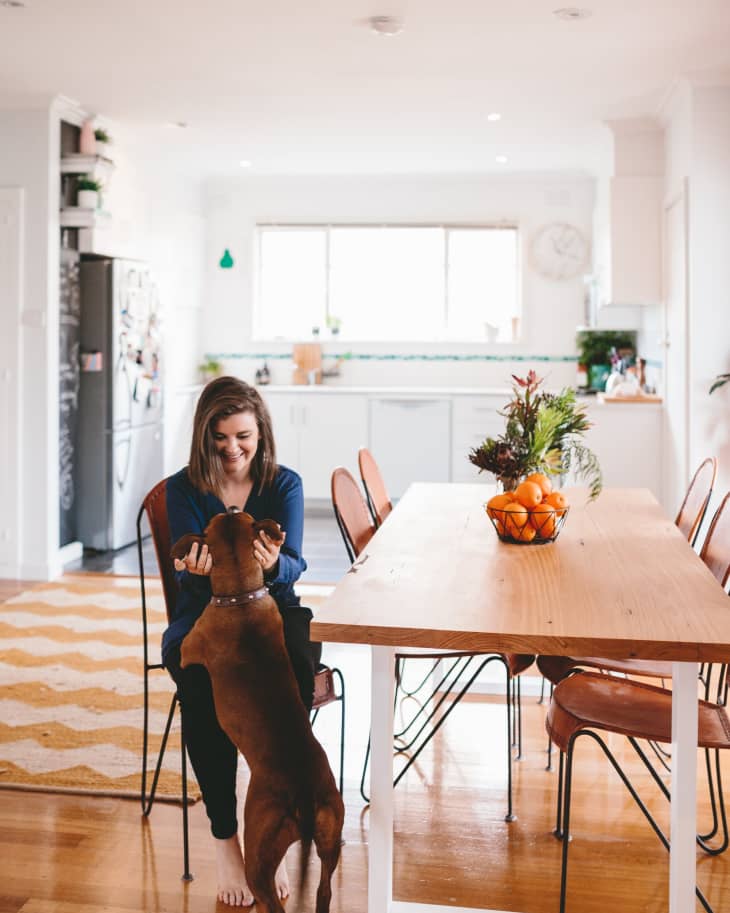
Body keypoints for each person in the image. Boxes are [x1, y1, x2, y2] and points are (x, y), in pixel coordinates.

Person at [162, 376, 320, 907]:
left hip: (271, 615)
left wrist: (276, 566)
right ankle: (226, 840)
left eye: (243, 437)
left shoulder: (286, 484)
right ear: (204, 436)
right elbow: (187, 574)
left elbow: (295, 564)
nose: (232, 449)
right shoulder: (182, 489)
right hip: (201, 620)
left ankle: (274, 815)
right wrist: (196, 569)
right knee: (203, 684)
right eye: (220, 437)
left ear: (261, 434)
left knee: (296, 676)